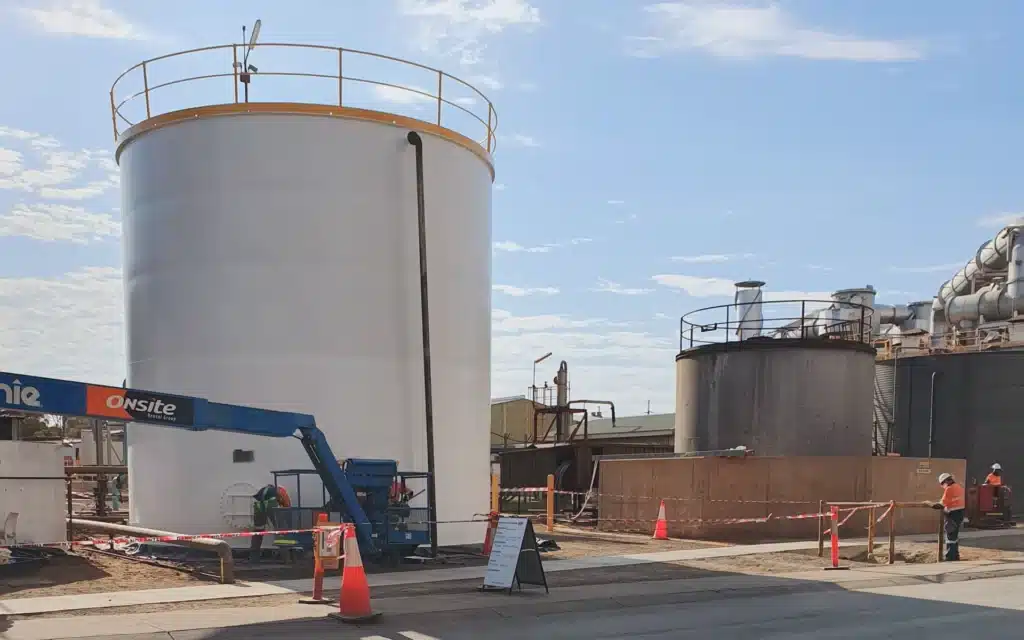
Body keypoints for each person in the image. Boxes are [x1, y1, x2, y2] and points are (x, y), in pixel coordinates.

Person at [931, 472, 965, 561]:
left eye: (942, 484)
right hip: (959, 513)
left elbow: (942, 504)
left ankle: (950, 556)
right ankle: (955, 555)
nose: (943, 486)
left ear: (945, 481)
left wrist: (931, 505)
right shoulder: (959, 487)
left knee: (950, 536)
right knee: (954, 535)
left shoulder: (949, 489)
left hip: (952, 515)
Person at [249, 484, 280, 563]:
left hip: (258, 504)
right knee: (281, 529)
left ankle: (253, 559)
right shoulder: (281, 491)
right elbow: (286, 504)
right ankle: (286, 556)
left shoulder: (263, 490)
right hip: (271, 504)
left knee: (258, 531)